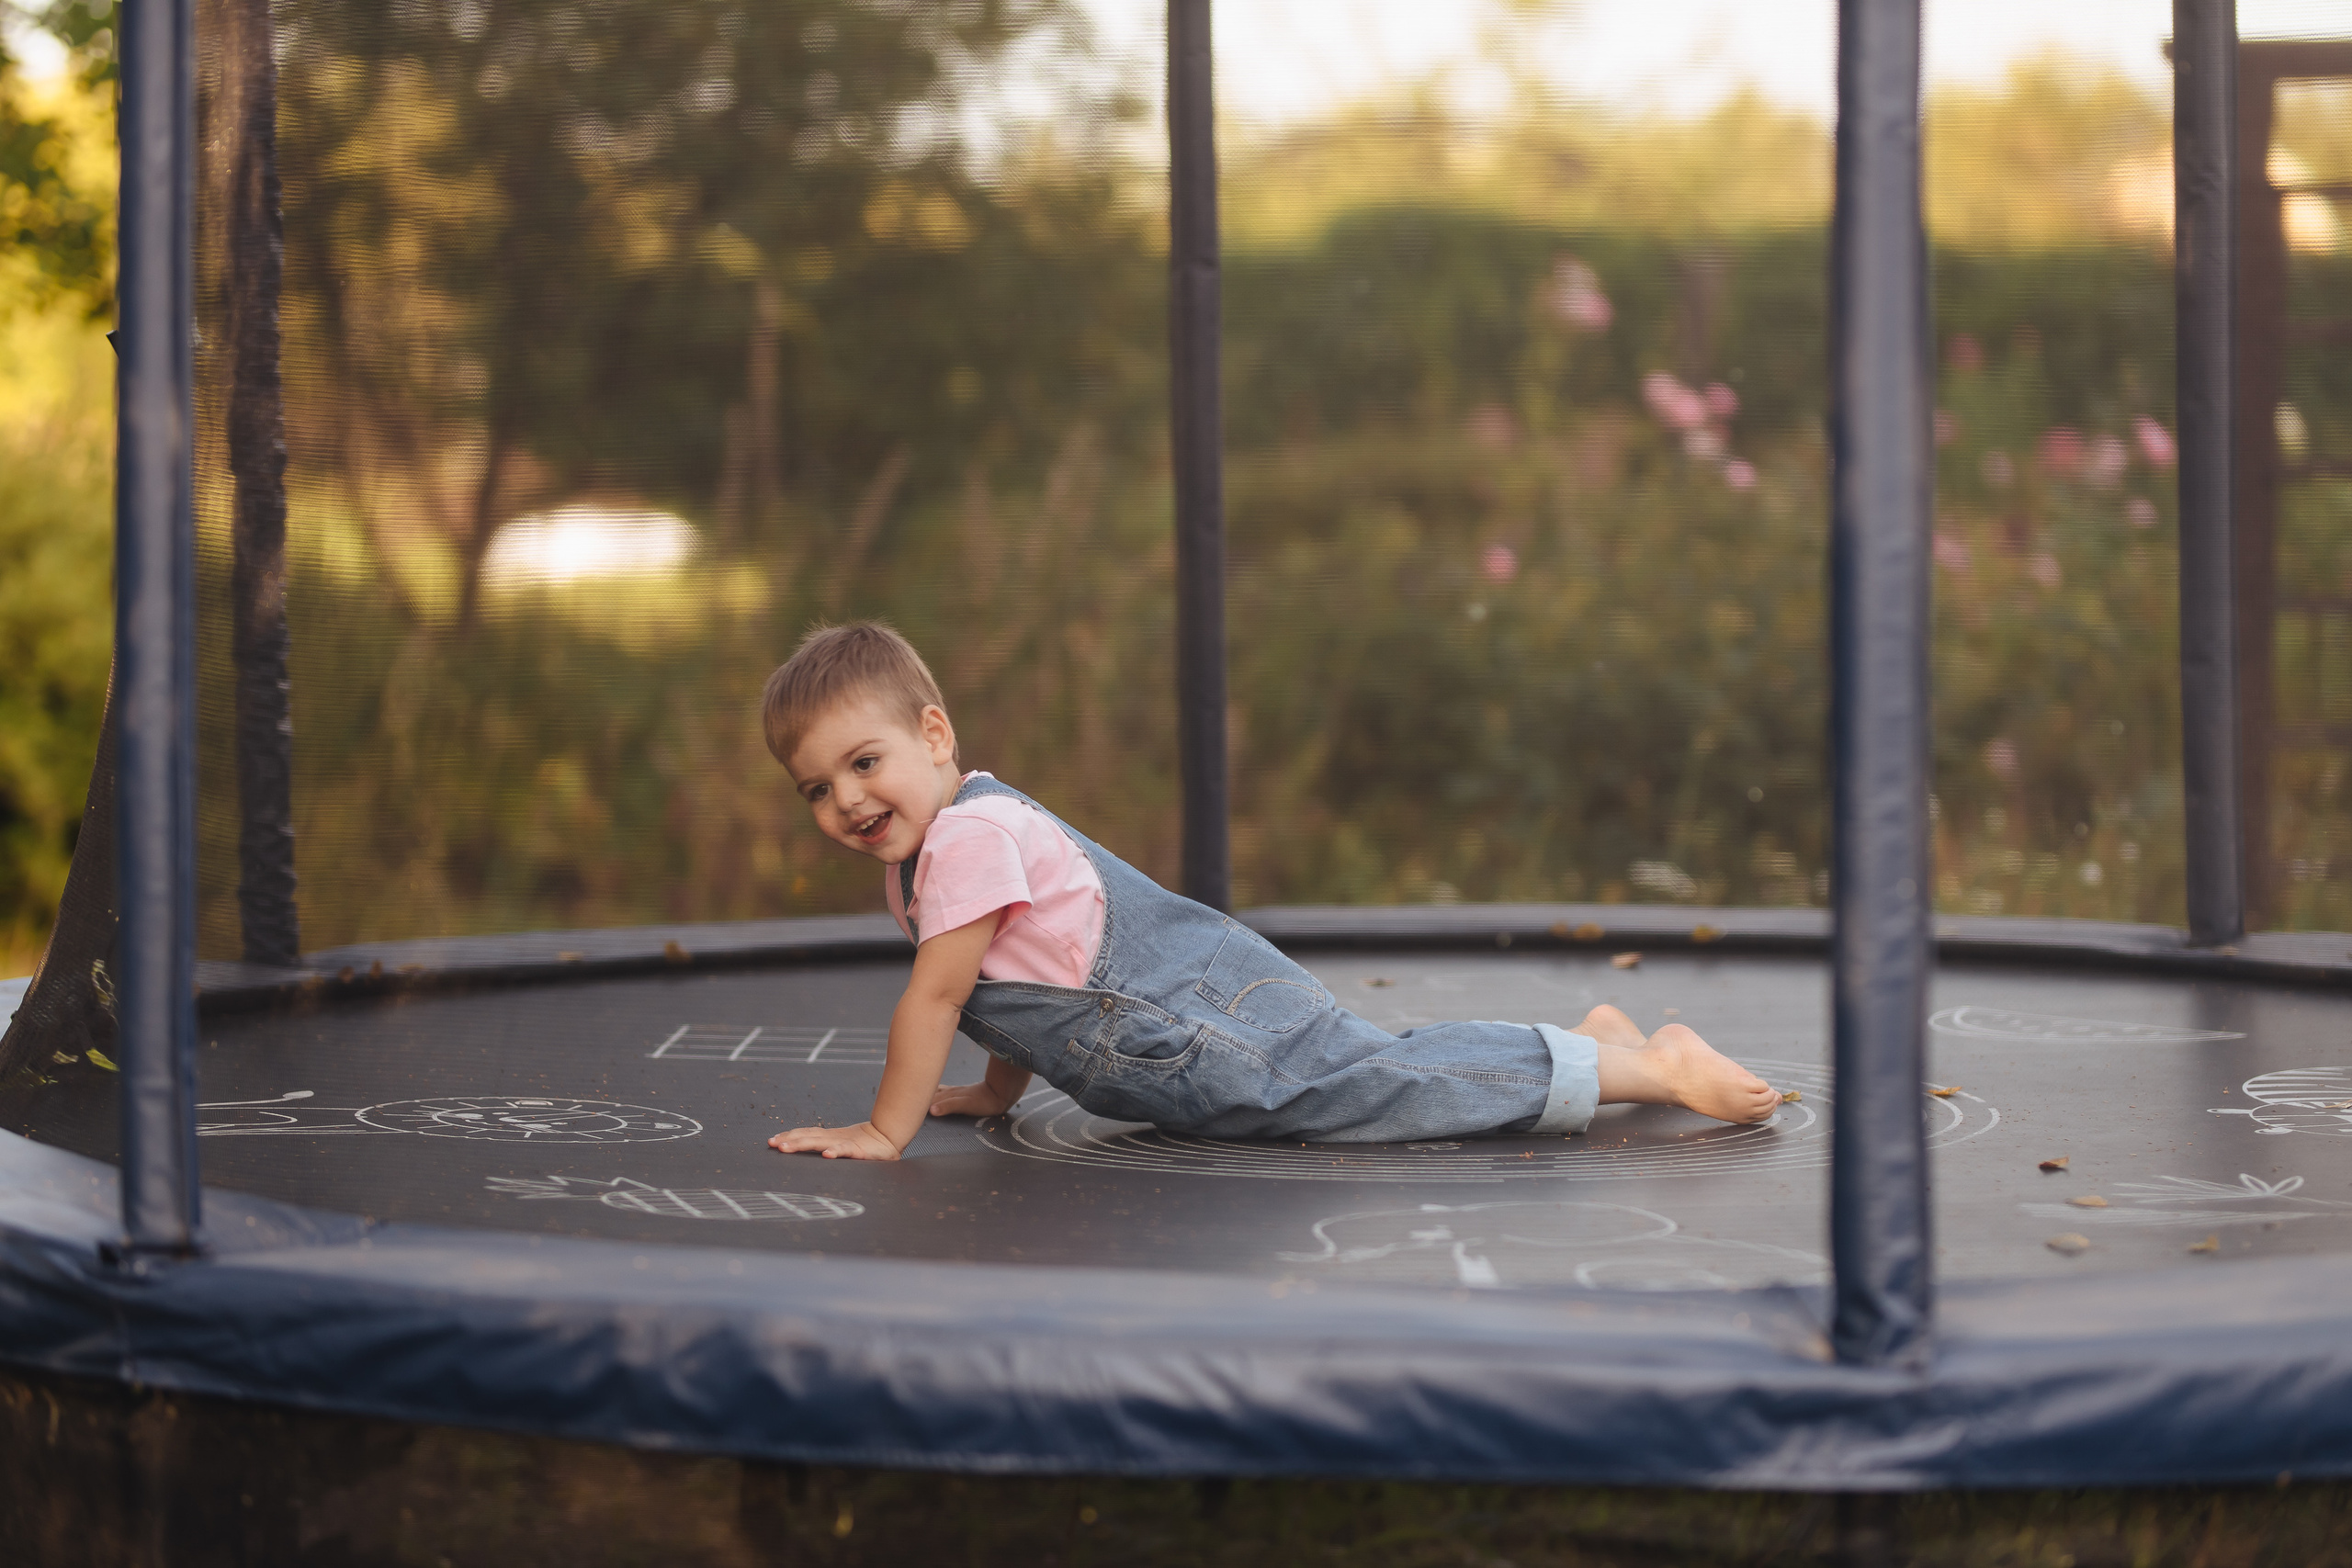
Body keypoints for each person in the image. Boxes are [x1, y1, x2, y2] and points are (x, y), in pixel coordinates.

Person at [763, 622, 1780, 1161]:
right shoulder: (939, 850)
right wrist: (996, 1092)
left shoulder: (966, 839)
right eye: (817, 787)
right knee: (1383, 1067)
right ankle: (1597, 1047)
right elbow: (1023, 982)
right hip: (1198, 1006)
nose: (847, 799)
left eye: (864, 762)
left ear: (935, 735)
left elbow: (939, 996)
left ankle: (1652, 1071)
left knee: (1380, 1090)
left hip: (1199, 1025)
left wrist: (884, 1129)